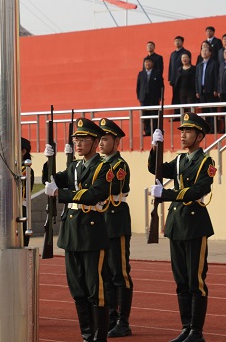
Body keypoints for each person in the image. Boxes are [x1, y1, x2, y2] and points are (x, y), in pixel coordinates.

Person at [148, 112, 215, 342]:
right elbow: (155, 169)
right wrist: (155, 147)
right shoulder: (179, 160)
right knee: (181, 280)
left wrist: (166, 194)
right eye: (182, 131)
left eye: (188, 131)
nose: (183, 134)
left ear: (200, 136)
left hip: (195, 223)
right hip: (176, 224)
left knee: (195, 280)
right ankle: (186, 327)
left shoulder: (206, 162)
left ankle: (197, 331)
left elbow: (198, 190)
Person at [44, 119, 112, 342]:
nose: (79, 143)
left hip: (91, 234)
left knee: (95, 289)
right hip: (71, 234)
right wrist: (48, 160)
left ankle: (98, 336)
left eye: (83, 139)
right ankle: (86, 335)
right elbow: (53, 179)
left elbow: (95, 195)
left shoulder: (103, 168)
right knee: (77, 289)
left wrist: (60, 194)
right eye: (76, 139)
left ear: (94, 142)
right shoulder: (75, 167)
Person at [97, 119, 132, 338]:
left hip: (115, 221)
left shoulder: (119, 166)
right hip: (101, 223)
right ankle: (110, 316)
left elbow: (106, 187)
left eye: (105, 139)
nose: (100, 143)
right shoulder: (100, 164)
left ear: (116, 141)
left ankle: (123, 321)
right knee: (106, 275)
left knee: (120, 274)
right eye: (99, 139)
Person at [136, 58, 163, 136]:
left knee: (154, 114)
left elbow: (161, 86)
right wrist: (139, 96)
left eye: (149, 62)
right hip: (144, 97)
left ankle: (155, 130)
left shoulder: (157, 73)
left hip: (154, 97)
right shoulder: (141, 74)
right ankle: (147, 130)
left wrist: (160, 96)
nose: (147, 64)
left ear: (152, 64)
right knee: (145, 114)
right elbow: (138, 86)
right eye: (146, 62)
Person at [195, 42, 218, 118]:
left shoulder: (214, 63)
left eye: (206, 51)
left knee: (212, 110)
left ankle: (213, 127)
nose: (204, 52)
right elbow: (197, 78)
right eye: (202, 51)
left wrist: (215, 89)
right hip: (202, 91)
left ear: (210, 53)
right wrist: (197, 91)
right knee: (204, 111)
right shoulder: (199, 65)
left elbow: (216, 77)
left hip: (211, 90)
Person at [168, 36, 191, 105]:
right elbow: (170, 66)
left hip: (183, 78)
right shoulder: (172, 54)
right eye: (175, 41)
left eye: (179, 41)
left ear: (182, 42)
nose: (177, 42)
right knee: (175, 97)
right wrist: (170, 78)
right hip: (174, 79)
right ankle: (176, 113)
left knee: (182, 97)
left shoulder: (186, 52)